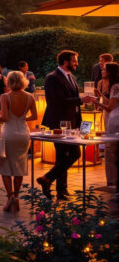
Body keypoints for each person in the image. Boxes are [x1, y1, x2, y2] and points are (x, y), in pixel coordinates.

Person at [37, 51, 97, 199]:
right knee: (72, 154)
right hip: (59, 123)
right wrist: (81, 100)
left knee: (65, 156)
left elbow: (71, 101)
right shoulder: (52, 78)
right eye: (74, 61)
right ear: (65, 62)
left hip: (72, 122)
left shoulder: (71, 77)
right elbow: (57, 101)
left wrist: (79, 122)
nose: (77, 63)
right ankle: (52, 182)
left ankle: (56, 187)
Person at [0, 71, 38, 212]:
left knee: (5, 166)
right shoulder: (30, 96)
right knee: (20, 166)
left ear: (9, 82)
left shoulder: (5, 97)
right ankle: (17, 196)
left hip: (8, 133)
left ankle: (10, 198)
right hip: (23, 134)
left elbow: (5, 118)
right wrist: (21, 119)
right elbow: (35, 116)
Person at [95, 62, 119, 189]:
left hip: (115, 121)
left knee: (111, 152)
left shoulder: (115, 87)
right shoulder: (115, 86)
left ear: (110, 72)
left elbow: (110, 107)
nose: (102, 71)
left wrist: (96, 102)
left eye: (104, 69)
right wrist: (100, 95)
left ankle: (111, 182)